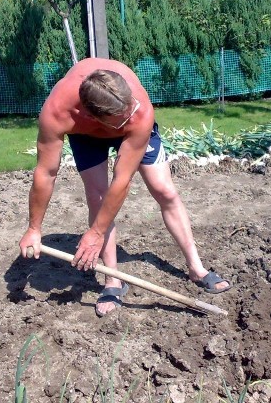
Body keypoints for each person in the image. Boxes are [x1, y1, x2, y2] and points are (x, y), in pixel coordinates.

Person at [19, 58, 232, 317]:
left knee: (164, 190)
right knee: (97, 198)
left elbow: (122, 181)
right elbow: (46, 172)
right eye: (124, 114)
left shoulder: (138, 111)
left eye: (131, 106)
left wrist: (96, 232)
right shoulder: (58, 112)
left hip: (131, 132)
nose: (134, 111)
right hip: (86, 137)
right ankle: (113, 281)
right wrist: (34, 229)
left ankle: (196, 268)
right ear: (90, 114)